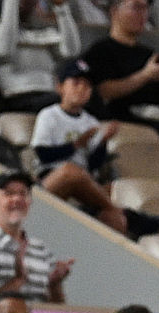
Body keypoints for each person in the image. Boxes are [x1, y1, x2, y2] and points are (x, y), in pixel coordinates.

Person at [30, 59, 128, 234]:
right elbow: (42, 154)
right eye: (76, 83)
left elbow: (93, 164)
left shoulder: (91, 121)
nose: (82, 88)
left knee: (115, 214)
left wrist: (103, 141)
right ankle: (113, 207)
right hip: (52, 176)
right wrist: (76, 145)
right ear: (60, 87)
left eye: (87, 85)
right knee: (71, 171)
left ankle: (114, 216)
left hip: (85, 181)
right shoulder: (49, 115)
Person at [79, 0, 159, 141]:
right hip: (117, 120)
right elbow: (103, 92)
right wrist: (145, 75)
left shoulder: (150, 55)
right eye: (137, 7)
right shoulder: (100, 52)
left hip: (154, 116)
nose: (143, 14)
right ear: (114, 11)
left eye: (146, 8)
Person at [0, 171, 73, 303]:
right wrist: (16, 283)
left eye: (23, 193)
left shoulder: (41, 250)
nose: (17, 199)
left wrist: (54, 285)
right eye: (9, 193)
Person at [0, 0, 82, 113]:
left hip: (49, 95)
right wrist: (11, 4)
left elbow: (71, 52)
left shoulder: (45, 31)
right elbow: (3, 52)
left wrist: (61, 8)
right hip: (16, 98)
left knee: (85, 99)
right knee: (67, 102)